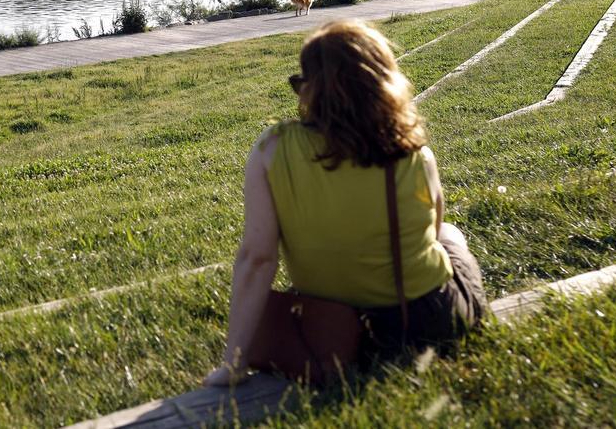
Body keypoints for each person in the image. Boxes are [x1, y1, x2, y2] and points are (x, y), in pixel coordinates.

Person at [204, 20, 486, 388]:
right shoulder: (415, 152)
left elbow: (258, 257)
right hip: (427, 322)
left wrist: (234, 363)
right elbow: (429, 235)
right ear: (385, 84)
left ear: (308, 90)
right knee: (450, 234)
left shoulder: (272, 149)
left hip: (333, 331)